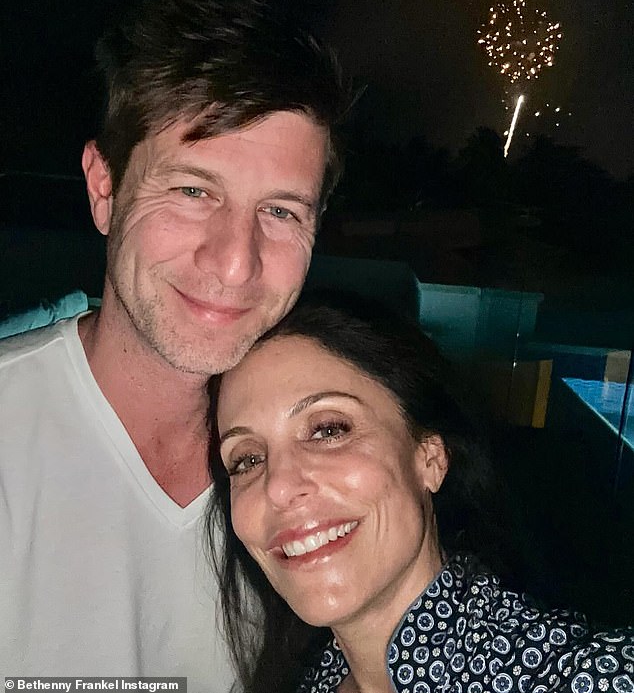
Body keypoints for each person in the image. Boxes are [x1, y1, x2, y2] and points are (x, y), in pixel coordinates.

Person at [0, 0, 349, 690]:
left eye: (281, 212)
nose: (234, 260)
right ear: (104, 188)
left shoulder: (338, 476)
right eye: (193, 191)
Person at [208, 292, 634, 693]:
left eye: (328, 430)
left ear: (430, 459)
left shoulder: (589, 676)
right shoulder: (309, 675)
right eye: (247, 459)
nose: (279, 487)